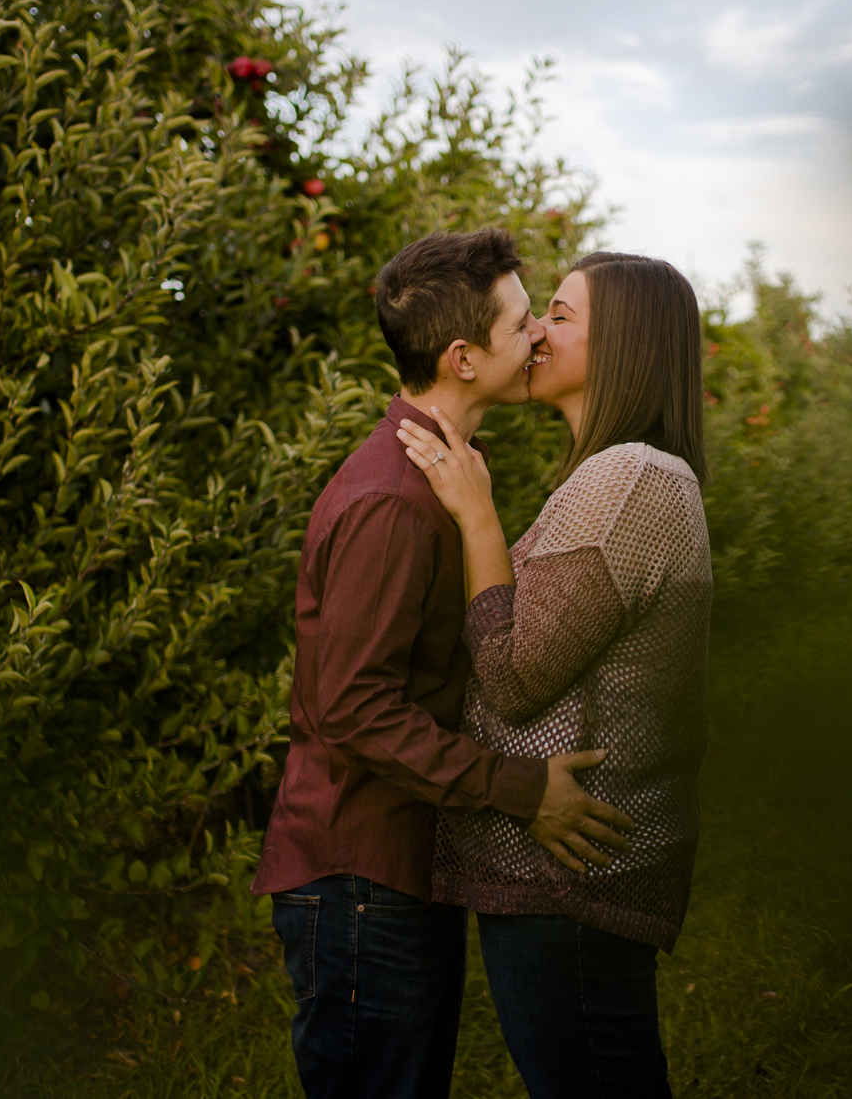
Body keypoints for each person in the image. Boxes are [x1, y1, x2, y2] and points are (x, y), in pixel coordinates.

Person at [251, 227, 636, 1099]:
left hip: (391, 872)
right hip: (358, 876)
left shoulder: (441, 475)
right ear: (463, 358)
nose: (540, 334)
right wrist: (520, 787)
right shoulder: (392, 498)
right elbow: (353, 708)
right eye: (523, 321)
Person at [396, 251, 711, 1099]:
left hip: (569, 875)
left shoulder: (628, 477)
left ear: (627, 349)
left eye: (560, 317)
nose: (535, 332)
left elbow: (515, 673)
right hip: (567, 873)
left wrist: (477, 516)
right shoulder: (621, 474)